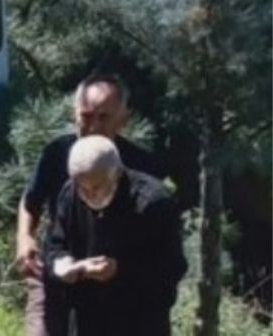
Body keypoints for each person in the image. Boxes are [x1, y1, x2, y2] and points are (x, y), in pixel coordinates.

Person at [16, 74, 166, 335]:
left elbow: (161, 255)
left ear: (123, 121)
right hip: (58, 269)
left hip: (119, 287)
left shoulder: (144, 173)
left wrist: (121, 268)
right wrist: (25, 238)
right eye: (85, 117)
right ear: (74, 114)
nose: (93, 126)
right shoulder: (56, 153)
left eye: (104, 118)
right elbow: (31, 200)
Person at [45, 135, 186, 335]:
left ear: (117, 174)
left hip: (140, 321)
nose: (88, 195)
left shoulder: (152, 203)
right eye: (81, 188)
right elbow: (55, 245)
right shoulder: (70, 195)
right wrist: (64, 265)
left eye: (96, 187)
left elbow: (173, 267)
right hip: (88, 320)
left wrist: (119, 270)